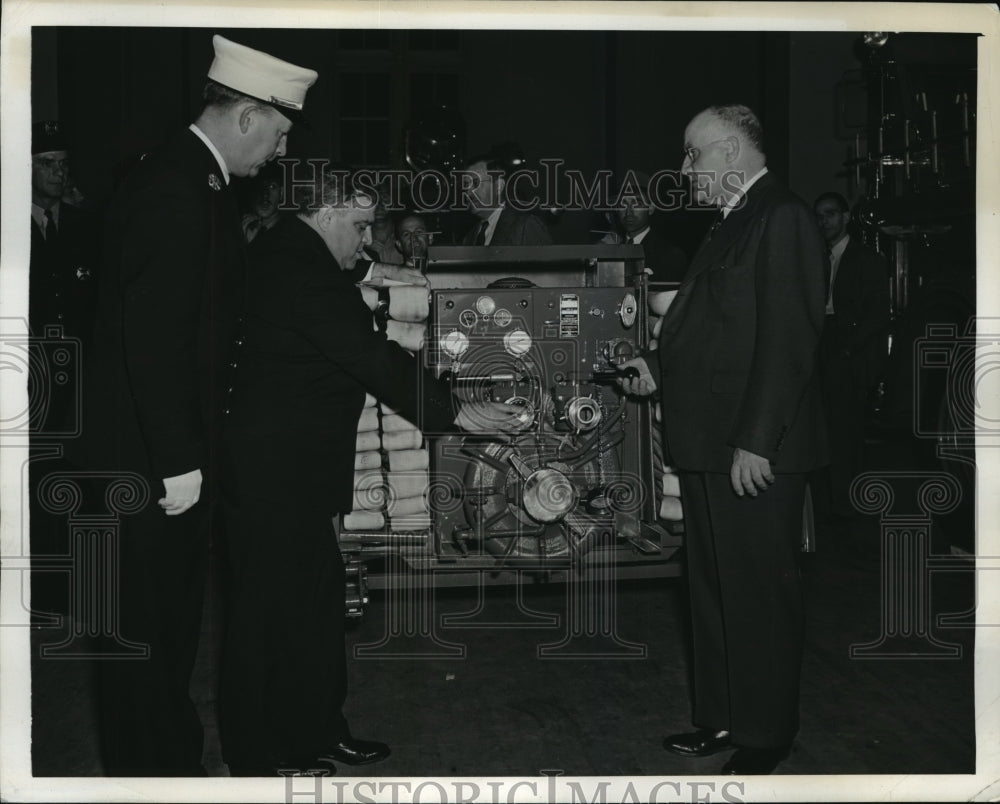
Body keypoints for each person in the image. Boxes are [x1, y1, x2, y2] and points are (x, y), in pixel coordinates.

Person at [219, 168, 524, 775]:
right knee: (267, 615)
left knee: (314, 604)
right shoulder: (298, 270)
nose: (365, 241)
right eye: (359, 226)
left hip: (298, 469)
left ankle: (317, 730)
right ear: (325, 211)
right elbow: (372, 357)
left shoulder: (291, 250)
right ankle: (261, 756)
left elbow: (348, 271)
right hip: (274, 477)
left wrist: (375, 271)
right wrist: (458, 411)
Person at [83, 35, 318, 776]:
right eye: (279, 132)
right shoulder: (177, 191)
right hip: (151, 468)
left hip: (159, 459)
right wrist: (179, 464)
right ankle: (153, 781)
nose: (280, 152)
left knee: (162, 643)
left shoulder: (194, 183)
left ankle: (165, 771)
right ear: (246, 115)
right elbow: (155, 343)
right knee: (146, 645)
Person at [619, 104, 828, 775]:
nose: (686, 169)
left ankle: (766, 734)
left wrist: (758, 441)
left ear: (733, 150)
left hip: (750, 449)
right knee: (711, 589)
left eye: (694, 154)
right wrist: (653, 366)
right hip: (711, 443)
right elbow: (703, 327)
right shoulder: (734, 221)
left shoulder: (783, 217)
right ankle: (721, 718)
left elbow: (790, 341)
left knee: (758, 593)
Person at [28, 120, 102, 614]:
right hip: (26, 379)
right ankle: (40, 592)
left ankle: (73, 588)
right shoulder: (12, 229)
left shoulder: (82, 226)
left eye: (64, 164)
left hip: (74, 377)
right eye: (47, 164)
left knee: (73, 480)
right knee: (32, 484)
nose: (59, 173)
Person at [813, 191, 890, 520]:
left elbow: (877, 315)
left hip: (849, 354)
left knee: (846, 434)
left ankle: (848, 508)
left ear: (846, 217)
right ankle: (826, 508)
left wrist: (847, 350)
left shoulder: (866, 258)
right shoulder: (815, 257)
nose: (824, 221)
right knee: (821, 431)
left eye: (830, 214)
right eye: (818, 216)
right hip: (821, 348)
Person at [605, 170, 687, 283]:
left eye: (637, 204)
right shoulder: (610, 252)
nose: (629, 212)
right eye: (622, 204)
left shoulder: (669, 254)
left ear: (651, 208)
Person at [461, 152, 552, 246]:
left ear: (498, 186)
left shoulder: (526, 226)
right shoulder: (470, 237)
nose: (468, 193)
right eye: (466, 185)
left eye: (476, 183)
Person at [241, 161, 285, 244]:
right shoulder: (237, 228)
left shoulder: (293, 234)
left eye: (272, 187)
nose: (265, 194)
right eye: (259, 186)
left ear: (281, 193)